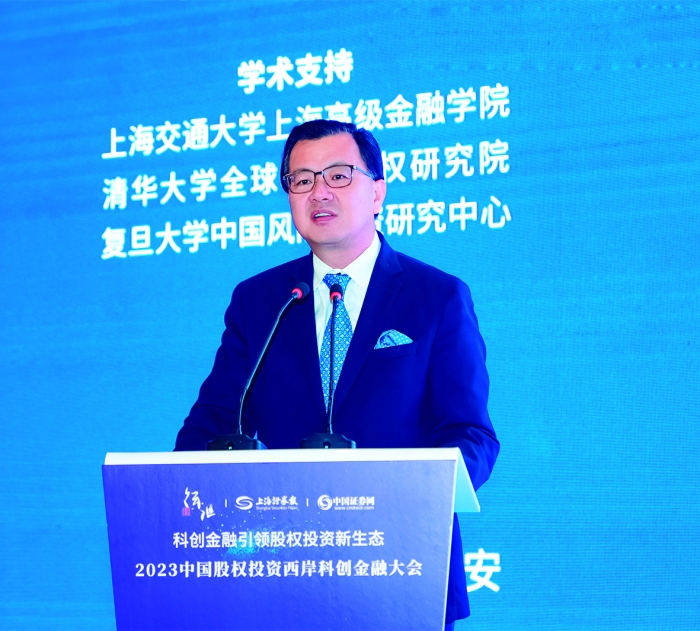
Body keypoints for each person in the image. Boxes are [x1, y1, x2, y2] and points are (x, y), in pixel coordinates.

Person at [175, 119, 499, 627]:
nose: (319, 192)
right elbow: (213, 422)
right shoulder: (260, 301)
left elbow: (472, 434)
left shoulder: (436, 297)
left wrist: (419, 491)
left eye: (338, 175)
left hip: (404, 567)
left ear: (378, 191)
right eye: (301, 180)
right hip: (280, 573)